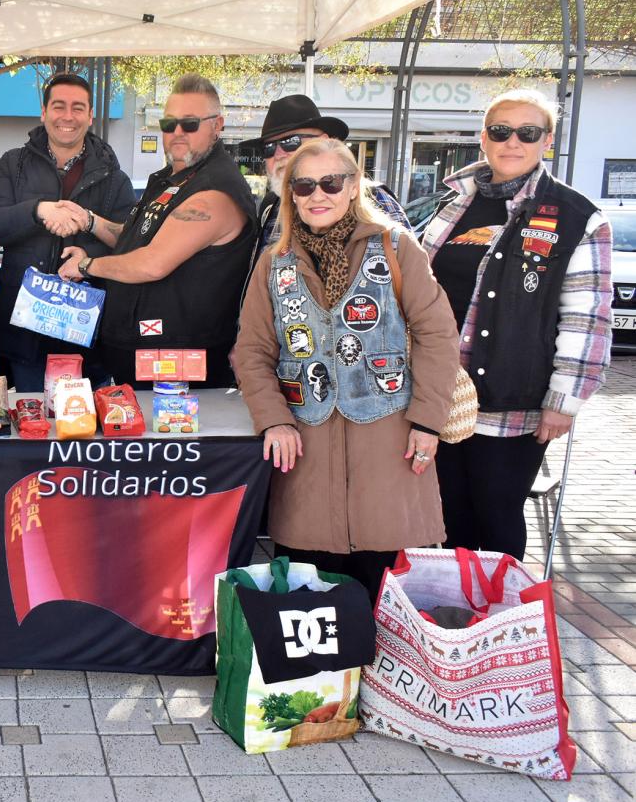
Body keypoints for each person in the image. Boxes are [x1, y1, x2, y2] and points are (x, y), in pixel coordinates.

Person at [232, 138, 460, 598]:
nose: (318, 194)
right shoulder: (275, 264)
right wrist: (273, 420)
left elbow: (439, 335)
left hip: (389, 446)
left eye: (330, 182)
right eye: (304, 184)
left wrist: (427, 423)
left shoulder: (396, 248)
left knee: (385, 588)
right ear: (291, 193)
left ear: (353, 186)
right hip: (307, 451)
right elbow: (252, 350)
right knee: (310, 594)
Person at [422, 89, 612, 560]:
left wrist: (563, 402)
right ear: (482, 138)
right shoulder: (456, 202)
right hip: (441, 394)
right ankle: (454, 622)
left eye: (526, 133)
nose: (512, 142)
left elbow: (587, 318)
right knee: (446, 515)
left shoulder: (576, 217)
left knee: (498, 514)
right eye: (500, 131)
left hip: (514, 398)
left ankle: (501, 623)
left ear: (546, 140)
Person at [58, 74, 256, 387]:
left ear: (217, 125)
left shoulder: (215, 192)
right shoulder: (174, 178)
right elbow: (135, 238)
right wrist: (91, 221)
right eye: (169, 124)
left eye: (190, 124)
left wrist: (87, 266)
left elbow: (152, 262)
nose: (177, 133)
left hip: (178, 367)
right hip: (142, 355)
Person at [0, 72, 134, 391]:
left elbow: (131, 243)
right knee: (32, 428)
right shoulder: (13, 164)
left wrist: (89, 255)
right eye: (59, 106)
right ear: (43, 111)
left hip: (86, 336)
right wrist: (38, 210)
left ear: (90, 115)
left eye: (78, 108)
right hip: (25, 335)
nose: (68, 116)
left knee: (83, 431)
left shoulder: (114, 176)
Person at [246, 94, 410, 250]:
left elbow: (404, 265)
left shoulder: (373, 199)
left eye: (290, 142)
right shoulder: (271, 205)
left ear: (323, 141)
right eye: (268, 148)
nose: (279, 154)